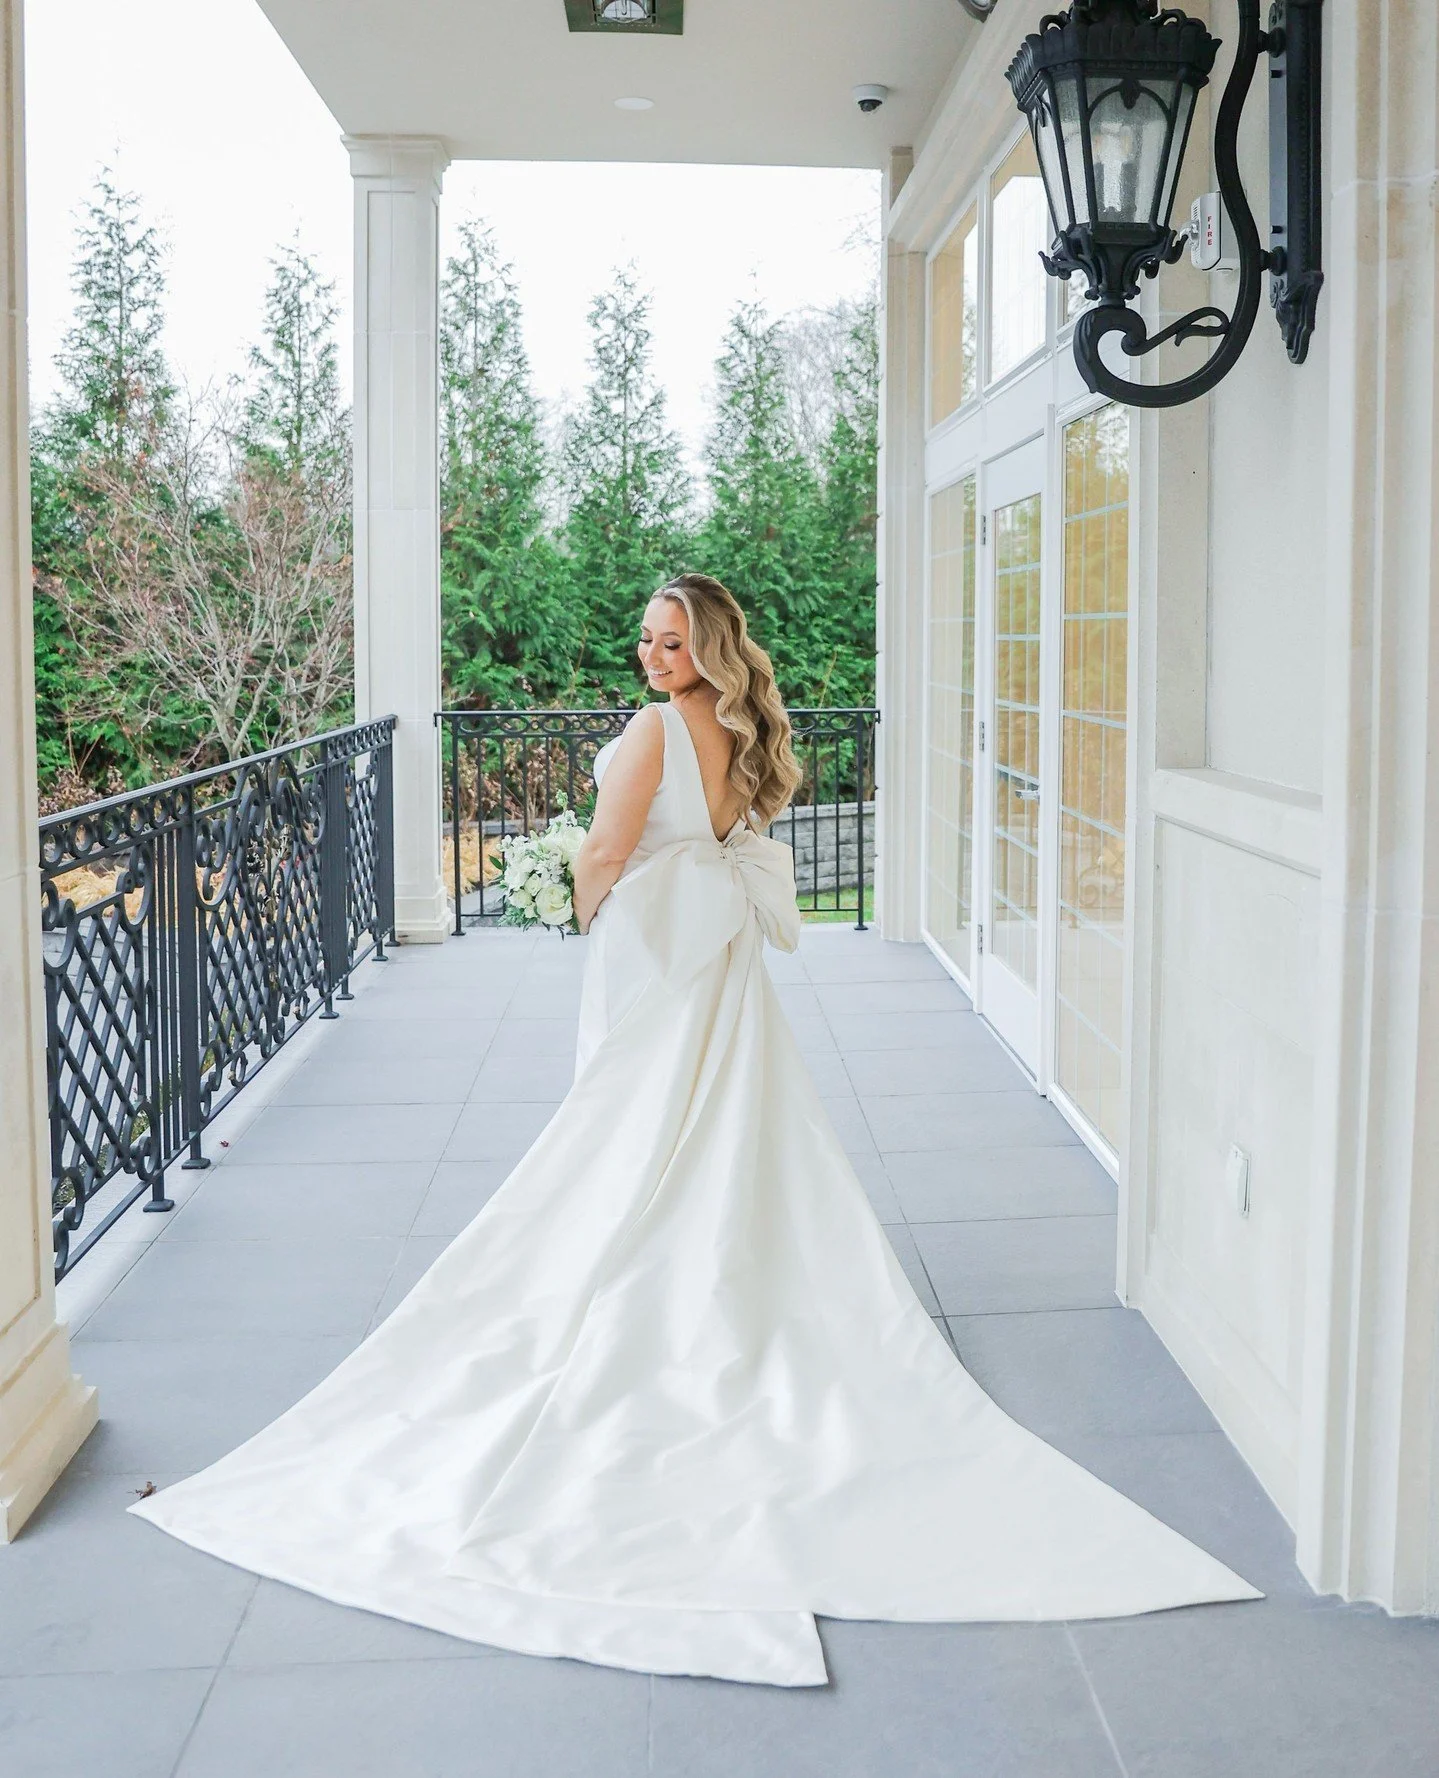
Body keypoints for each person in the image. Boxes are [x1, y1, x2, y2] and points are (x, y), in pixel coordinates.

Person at [131, 572, 1260, 1688]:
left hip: (654, 946)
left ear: (708, 646)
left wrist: (575, 907)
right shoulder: (740, 727)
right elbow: (715, 833)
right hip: (712, 948)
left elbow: (604, 851)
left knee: (629, 1114)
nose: (650, 655)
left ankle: (641, 1257)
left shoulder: (653, 729)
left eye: (670, 641)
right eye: (645, 638)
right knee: (716, 1109)